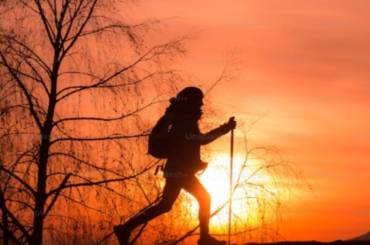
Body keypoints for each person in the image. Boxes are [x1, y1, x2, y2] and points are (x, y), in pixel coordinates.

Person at [114, 87, 236, 245]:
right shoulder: (184, 122)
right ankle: (205, 239)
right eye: (199, 101)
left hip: (176, 170)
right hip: (180, 171)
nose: (201, 104)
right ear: (191, 102)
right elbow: (202, 139)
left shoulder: (181, 119)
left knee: (165, 206)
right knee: (204, 198)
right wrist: (225, 128)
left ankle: (125, 228)